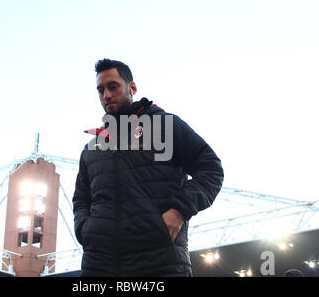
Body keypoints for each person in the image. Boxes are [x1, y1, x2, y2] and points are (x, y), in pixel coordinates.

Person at [72, 58, 224, 277]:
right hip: (99, 265)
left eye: (113, 86)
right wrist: (86, 230)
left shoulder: (166, 125)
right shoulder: (92, 146)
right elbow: (81, 199)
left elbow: (211, 169)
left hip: (160, 263)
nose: (106, 95)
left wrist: (179, 211)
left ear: (131, 88)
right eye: (100, 90)